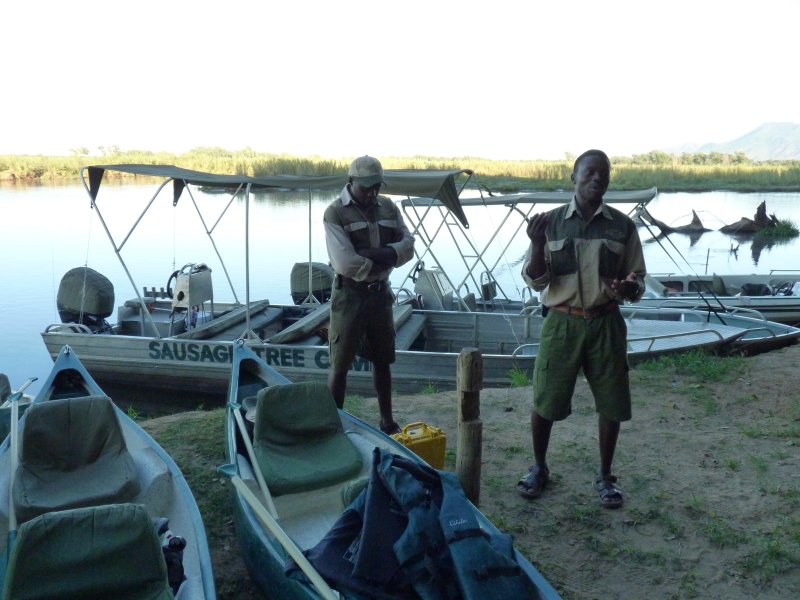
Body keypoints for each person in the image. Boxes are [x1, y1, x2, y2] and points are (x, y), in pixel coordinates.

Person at [516, 149, 646, 509]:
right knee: (546, 398)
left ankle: (605, 476)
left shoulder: (623, 226)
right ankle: (539, 468)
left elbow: (638, 280)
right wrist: (537, 244)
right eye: (589, 172)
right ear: (573, 177)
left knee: (612, 401)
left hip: (606, 323)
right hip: (561, 322)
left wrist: (629, 287)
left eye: (603, 173)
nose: (597, 178)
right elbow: (537, 281)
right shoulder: (550, 223)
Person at [323, 156, 415, 434]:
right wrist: (389, 256)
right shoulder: (334, 213)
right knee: (340, 363)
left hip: (380, 293)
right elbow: (345, 263)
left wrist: (370, 254)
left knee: (383, 359)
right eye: (366, 187)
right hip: (349, 295)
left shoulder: (389, 206)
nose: (372, 192)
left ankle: (387, 422)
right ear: (351, 181)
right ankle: (334, 426)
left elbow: (409, 247)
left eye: (376, 186)